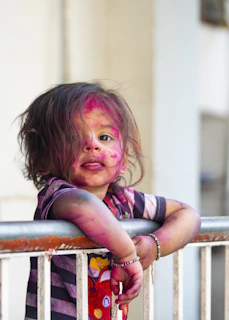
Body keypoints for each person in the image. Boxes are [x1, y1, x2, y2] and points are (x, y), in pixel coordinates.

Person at [18, 82, 201, 320]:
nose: (92, 144)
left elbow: (188, 214)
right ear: (44, 160)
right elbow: (83, 206)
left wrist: (153, 246)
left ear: (123, 158)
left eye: (104, 136)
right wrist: (126, 255)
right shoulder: (57, 195)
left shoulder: (122, 199)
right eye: (73, 138)